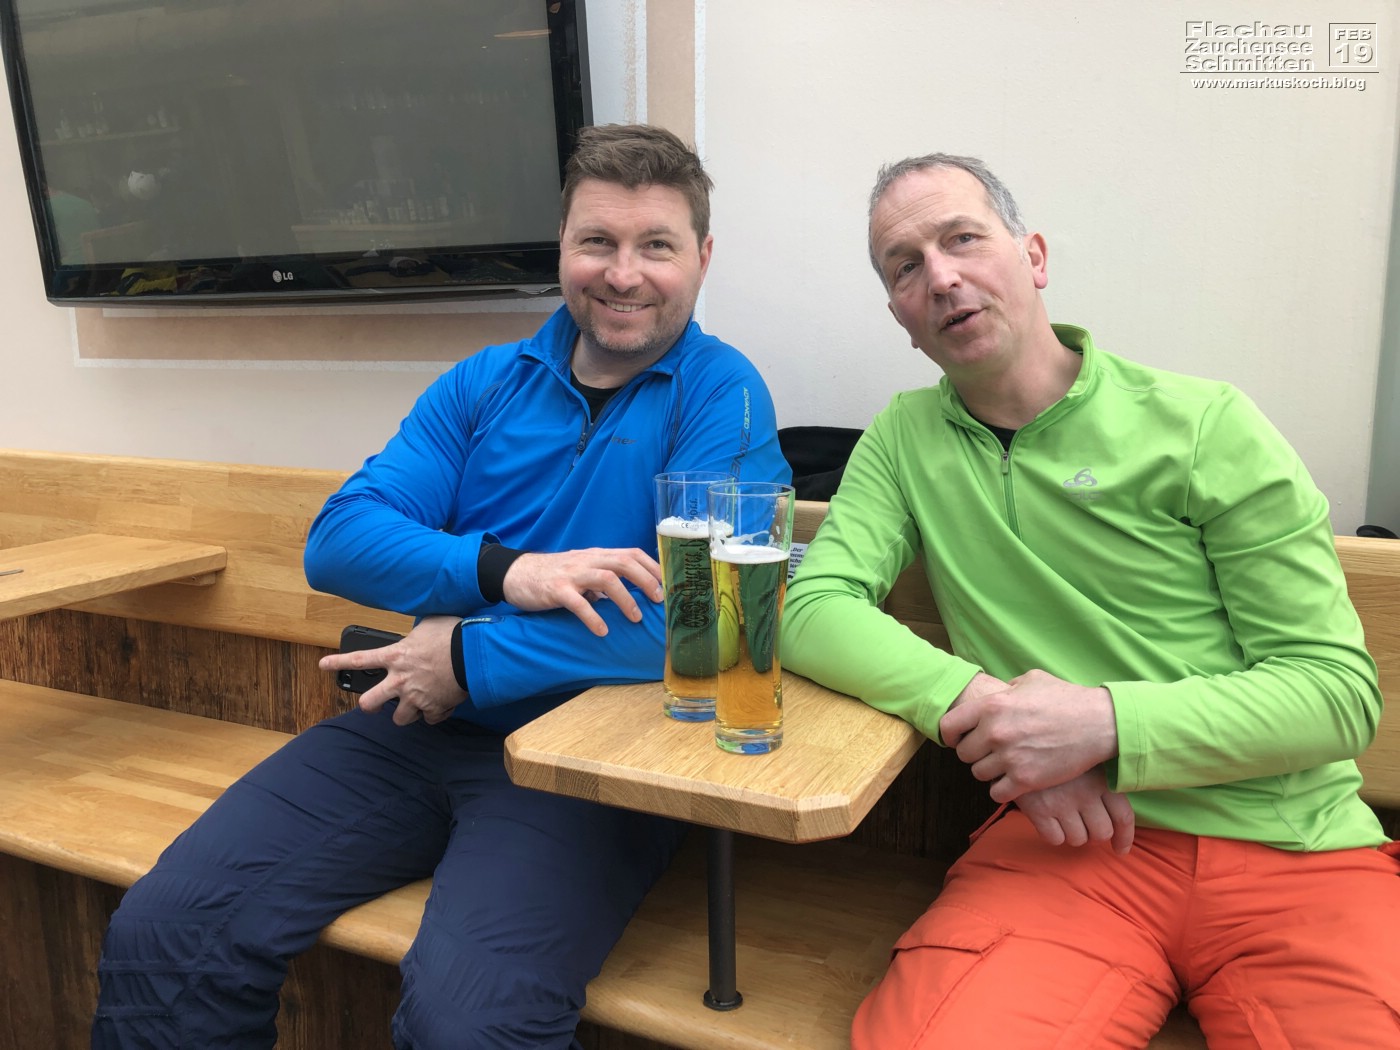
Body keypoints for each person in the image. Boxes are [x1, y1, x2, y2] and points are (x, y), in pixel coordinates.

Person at [92, 124, 790, 1050]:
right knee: (166, 934)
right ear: (562, 247)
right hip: (413, 723)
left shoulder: (721, 392)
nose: (623, 273)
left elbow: (703, 622)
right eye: (597, 241)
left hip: (584, 764)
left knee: (467, 1023)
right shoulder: (482, 384)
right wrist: (508, 571)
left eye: (655, 245)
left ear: (701, 257)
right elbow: (340, 543)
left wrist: (466, 653)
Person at [781, 153, 1400, 1048]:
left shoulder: (1204, 424)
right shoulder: (904, 438)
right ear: (901, 317)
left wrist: (1102, 725)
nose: (941, 277)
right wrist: (994, 713)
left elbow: (1336, 695)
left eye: (963, 238)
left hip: (1293, 850)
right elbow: (812, 607)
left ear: (1032, 256)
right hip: (1068, 845)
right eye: (905, 266)